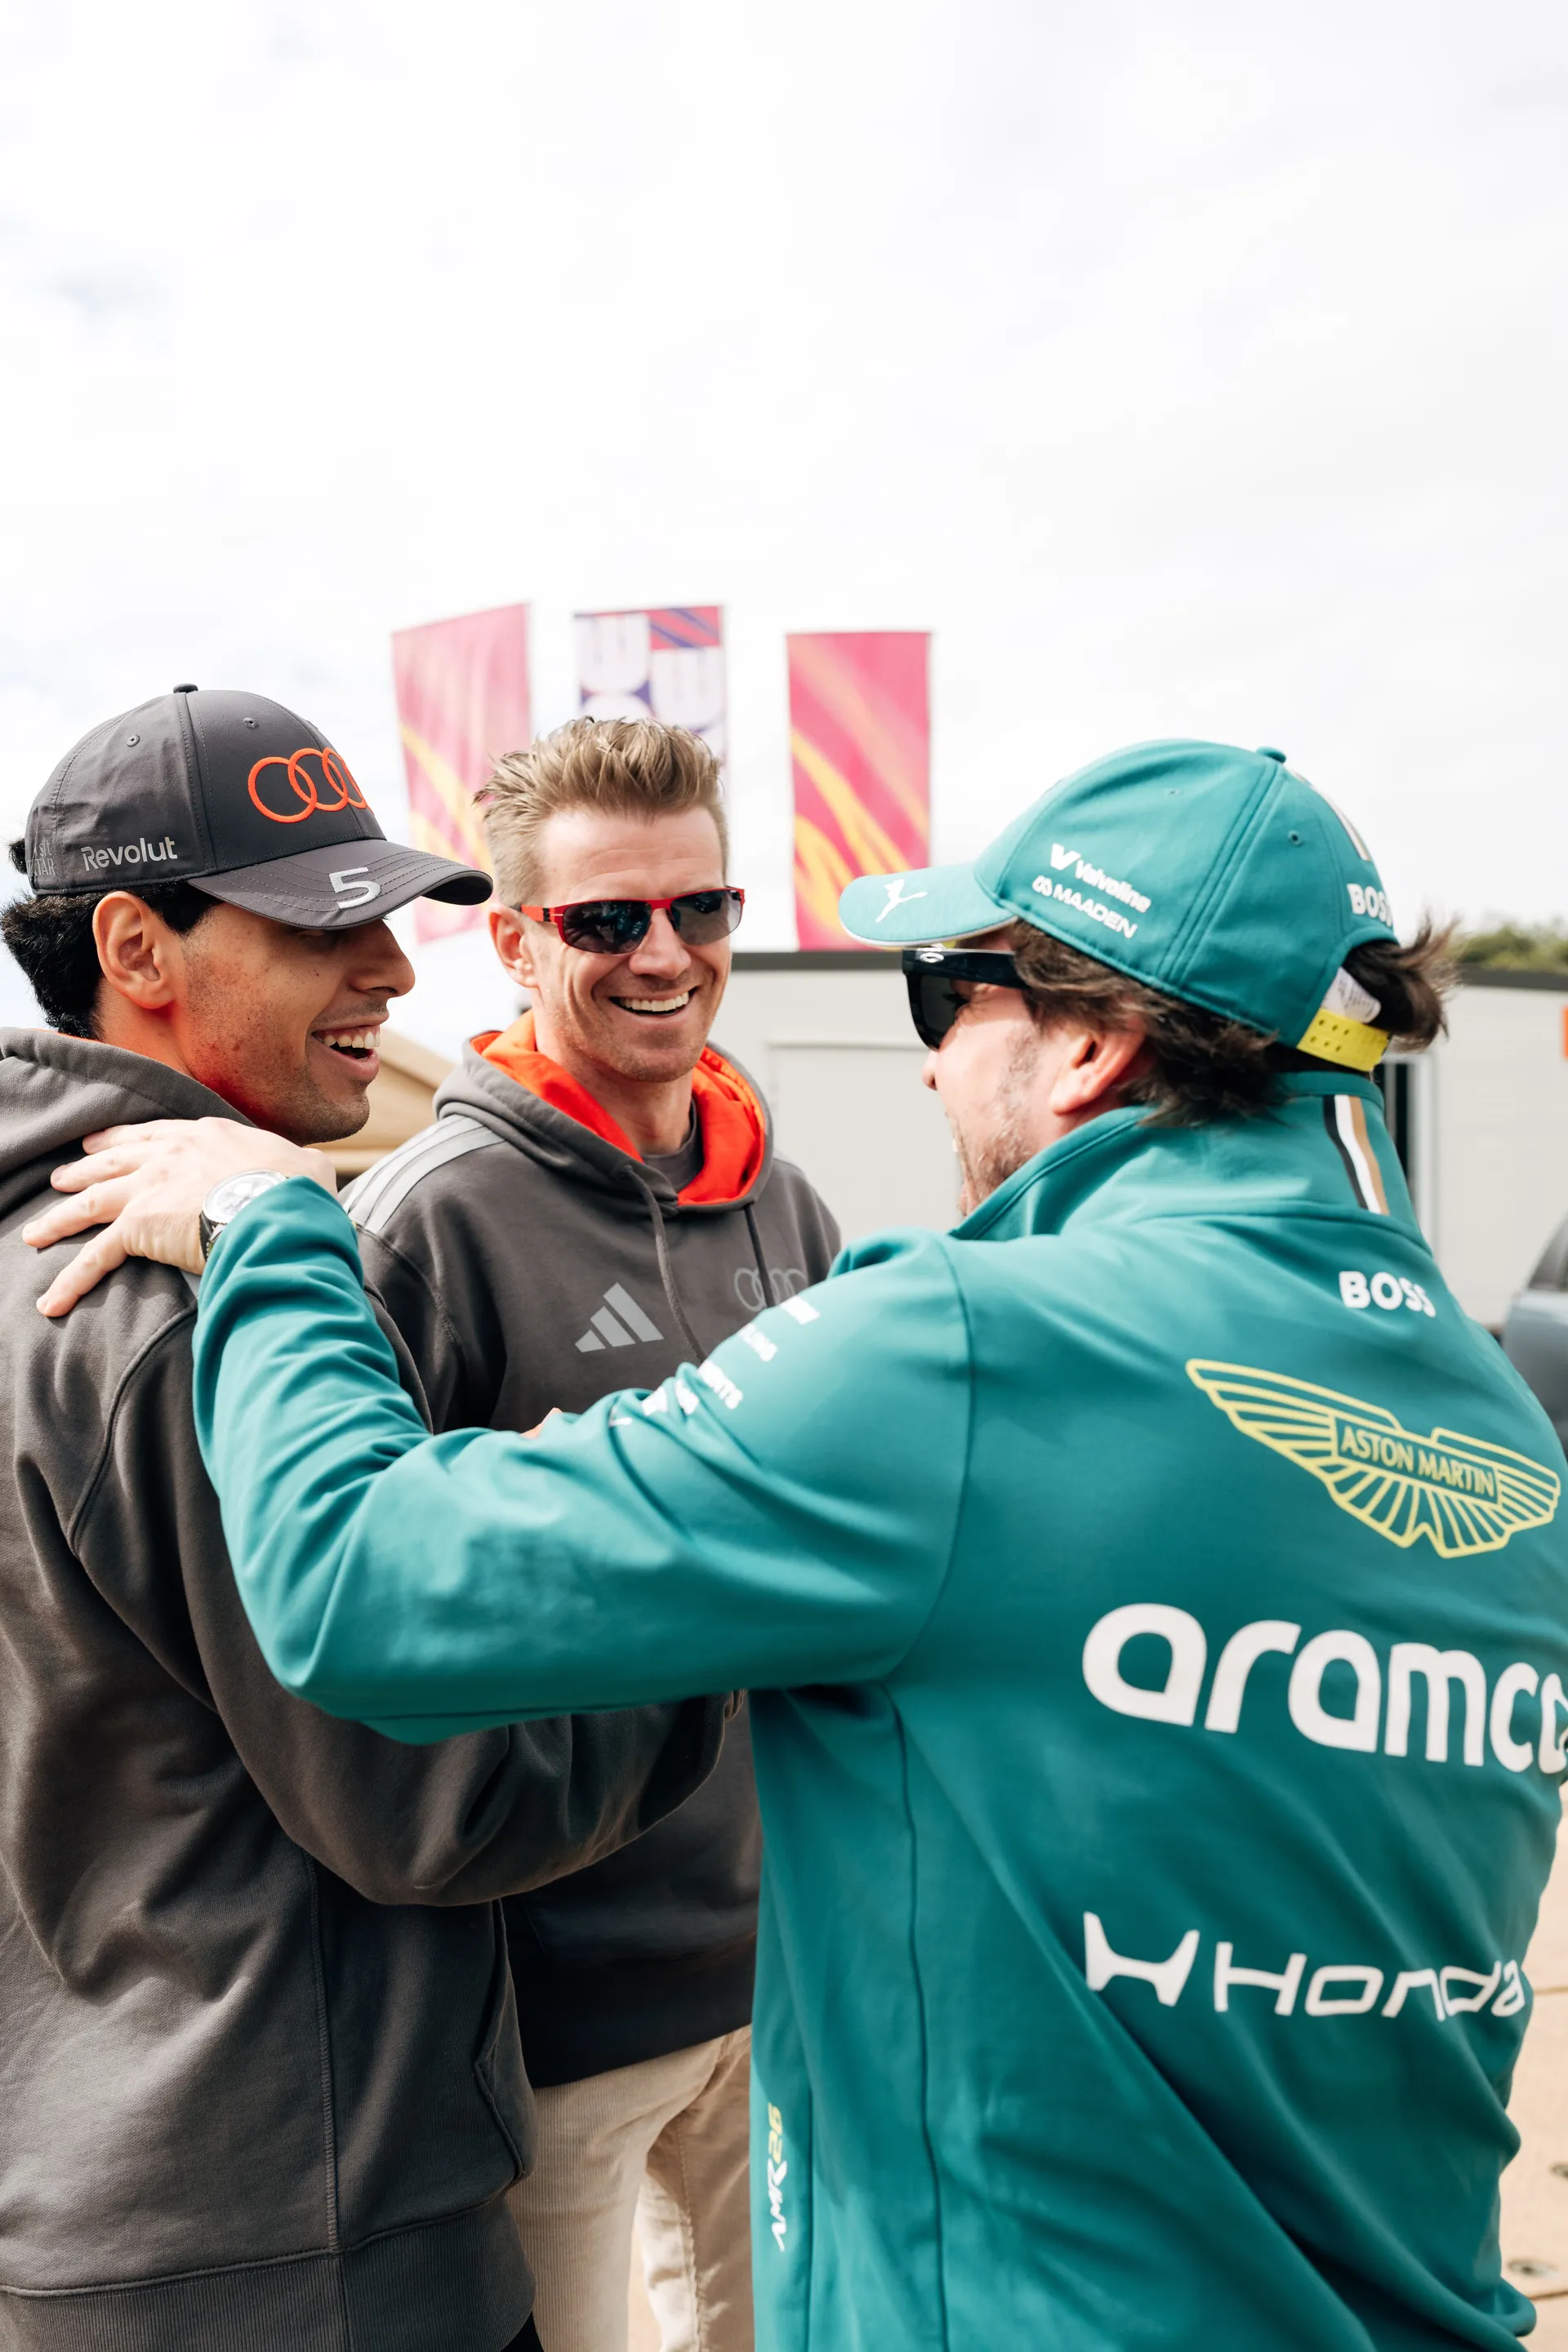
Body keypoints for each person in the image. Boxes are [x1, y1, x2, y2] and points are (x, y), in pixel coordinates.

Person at [31, 739, 1568, 2350]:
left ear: (1097, 1047)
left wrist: (272, 1233)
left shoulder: (964, 1347)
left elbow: (361, 1582)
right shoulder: (1505, 1429)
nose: (923, 1067)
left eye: (948, 996)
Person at [0, 684, 732, 2352]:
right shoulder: (187, 1312)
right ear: (138, 944)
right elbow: (433, 1796)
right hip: (303, 2245)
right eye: (325, 930)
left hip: (94, 2203)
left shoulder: (31, 1248)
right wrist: (730, 1631)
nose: (395, 974)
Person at [341, 715, 838, 2352]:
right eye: (606, 920)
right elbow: (359, 1600)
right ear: (510, 939)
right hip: (550, 2004)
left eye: (701, 911)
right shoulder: (432, 1221)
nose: (665, 955)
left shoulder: (791, 1204)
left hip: (783, 1975)